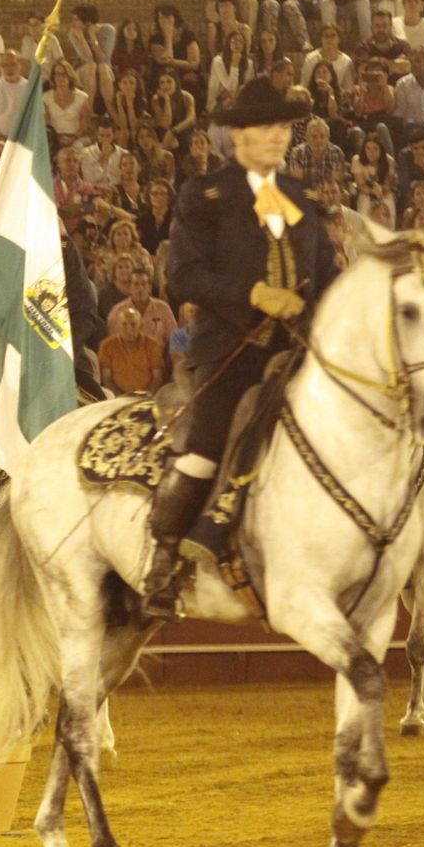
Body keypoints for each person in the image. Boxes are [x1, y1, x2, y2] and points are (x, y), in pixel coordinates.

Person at [144, 79, 339, 621]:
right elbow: (184, 276)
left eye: (284, 127)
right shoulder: (205, 195)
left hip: (297, 352)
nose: (278, 136)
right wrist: (252, 295)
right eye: (266, 127)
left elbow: (325, 276)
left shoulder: (300, 197)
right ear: (238, 137)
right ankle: (164, 560)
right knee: (209, 438)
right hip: (230, 348)